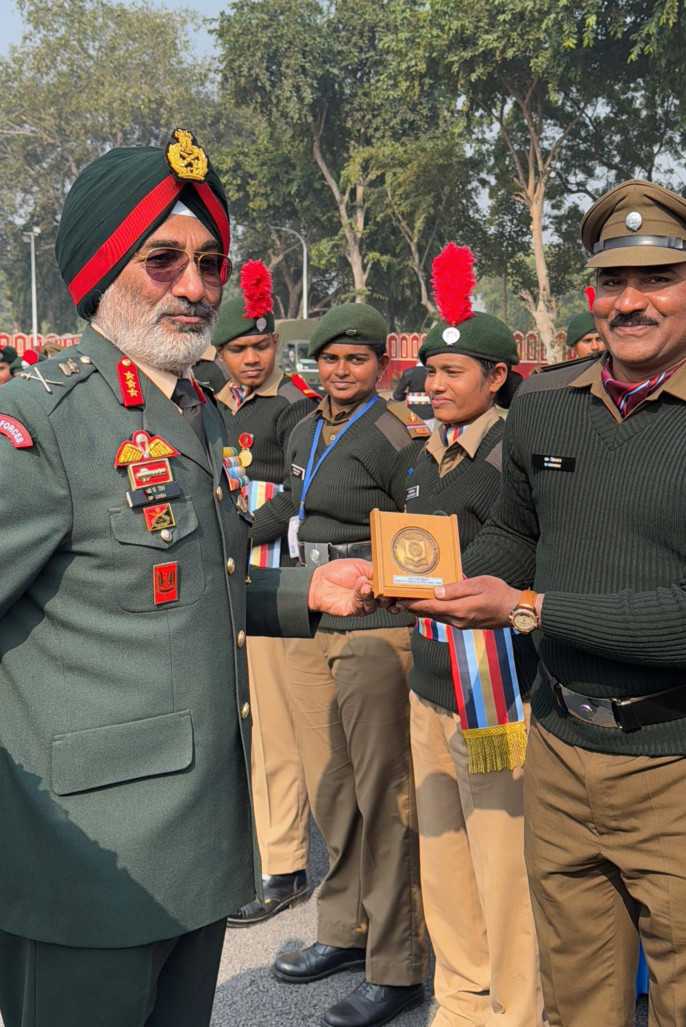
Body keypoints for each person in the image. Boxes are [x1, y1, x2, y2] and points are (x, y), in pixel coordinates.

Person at [0, 128, 377, 1027]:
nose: (197, 285)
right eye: (162, 259)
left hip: (198, 843)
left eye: (209, 261)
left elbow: (180, 585)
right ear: (101, 271)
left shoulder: (194, 408)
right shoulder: (41, 420)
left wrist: (307, 592)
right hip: (85, 863)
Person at [397, 180, 686, 1027]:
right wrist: (445, 585)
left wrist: (526, 607)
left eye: (658, 279)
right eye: (611, 281)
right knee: (576, 1002)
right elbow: (514, 530)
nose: (629, 301)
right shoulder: (543, 404)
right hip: (562, 749)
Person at [274, 303, 431, 1027]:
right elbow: (288, 502)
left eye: (356, 359)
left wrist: (393, 590)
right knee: (332, 787)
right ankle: (345, 929)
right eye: (329, 358)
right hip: (310, 610)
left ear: (382, 365)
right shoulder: (305, 425)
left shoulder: (398, 432)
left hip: (376, 620)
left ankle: (397, 966)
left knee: (384, 792)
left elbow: (422, 528)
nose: (339, 370)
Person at [405, 243, 541, 1027]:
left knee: (503, 863)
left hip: (491, 687)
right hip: (428, 681)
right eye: (430, 371)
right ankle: (459, 1001)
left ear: (496, 377)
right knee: (445, 856)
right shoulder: (424, 456)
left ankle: (515, 1011)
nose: (436, 384)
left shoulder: (512, 454)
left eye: (452, 372)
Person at [212, 258, 319, 926]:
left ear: (276, 344)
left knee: (275, 724)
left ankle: (283, 866)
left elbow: (298, 491)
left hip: (270, 567)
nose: (252, 359)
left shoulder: (296, 404)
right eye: (238, 349)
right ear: (218, 353)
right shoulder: (206, 401)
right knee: (235, 721)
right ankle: (246, 854)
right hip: (221, 573)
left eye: (261, 346)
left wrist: (243, 528)